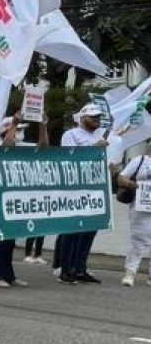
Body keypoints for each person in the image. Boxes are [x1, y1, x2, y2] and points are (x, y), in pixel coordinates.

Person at [0, 112, 47, 288]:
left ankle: (8, 274)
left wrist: (42, 126)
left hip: (16, 197)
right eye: (17, 129)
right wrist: (14, 123)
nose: (20, 132)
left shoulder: (22, 147)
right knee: (0, 239)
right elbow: (7, 146)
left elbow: (43, 147)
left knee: (10, 239)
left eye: (20, 129)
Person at [57, 103, 108, 285]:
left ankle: (80, 268)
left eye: (98, 117)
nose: (96, 120)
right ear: (83, 118)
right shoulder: (71, 134)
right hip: (75, 189)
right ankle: (65, 269)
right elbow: (68, 158)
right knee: (73, 230)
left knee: (89, 230)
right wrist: (95, 147)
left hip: (94, 189)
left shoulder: (99, 136)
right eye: (92, 117)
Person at [119, 148, 151, 287]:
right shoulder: (140, 160)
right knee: (138, 239)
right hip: (140, 206)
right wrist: (129, 183)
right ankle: (130, 272)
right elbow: (121, 177)